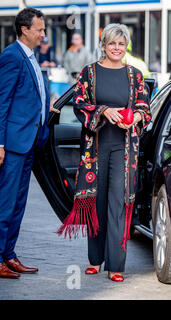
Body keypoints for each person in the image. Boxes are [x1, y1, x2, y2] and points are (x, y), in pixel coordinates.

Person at [56, 23, 152, 282]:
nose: (117, 48)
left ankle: (116, 264)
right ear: (104, 45)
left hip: (124, 149)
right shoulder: (89, 72)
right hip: (95, 148)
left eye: (121, 44)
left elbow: (144, 106)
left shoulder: (135, 75)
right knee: (96, 202)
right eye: (112, 44)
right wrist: (103, 111)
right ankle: (95, 259)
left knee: (118, 203)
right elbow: (79, 103)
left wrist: (136, 117)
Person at [0, 8, 52, 279]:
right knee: (5, 203)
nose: (43, 34)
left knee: (18, 204)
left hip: (30, 142)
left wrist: (47, 107)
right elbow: (2, 102)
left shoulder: (32, 57)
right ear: (24, 30)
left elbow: (31, 94)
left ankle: (9, 255)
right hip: (12, 144)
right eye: (39, 29)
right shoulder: (11, 56)